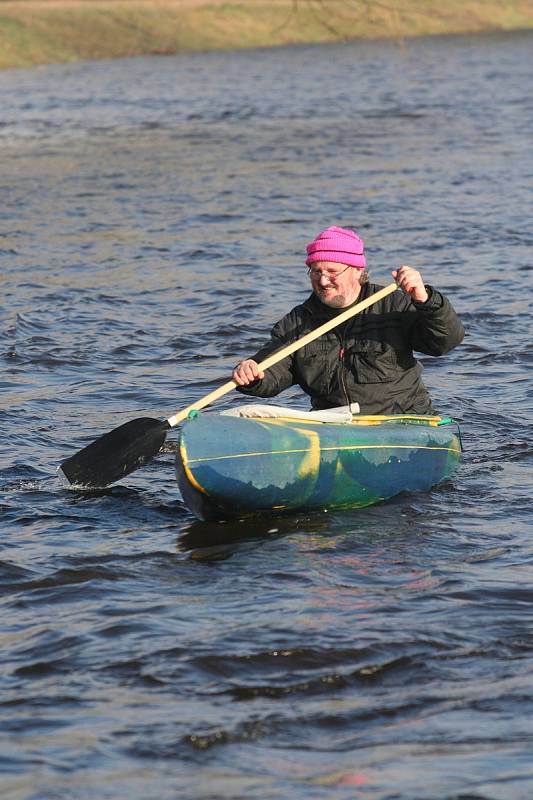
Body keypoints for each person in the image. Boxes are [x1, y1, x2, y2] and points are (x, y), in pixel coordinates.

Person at [232, 225, 464, 415]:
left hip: (402, 423)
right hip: (335, 429)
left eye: (332, 272)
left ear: (357, 270)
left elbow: (445, 342)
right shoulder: (296, 323)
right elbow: (273, 374)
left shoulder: (394, 305)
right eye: (316, 272)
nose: (323, 281)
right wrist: (251, 374)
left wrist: (425, 299)